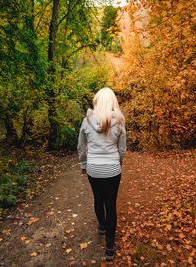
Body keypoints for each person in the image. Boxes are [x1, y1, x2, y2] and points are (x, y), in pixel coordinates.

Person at [77, 87, 126, 261]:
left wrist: (84, 164)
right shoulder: (119, 121)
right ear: (113, 102)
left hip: (94, 168)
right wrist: (119, 161)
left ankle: (103, 226)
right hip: (112, 168)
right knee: (110, 203)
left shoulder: (86, 120)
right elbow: (122, 147)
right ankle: (110, 247)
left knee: (98, 198)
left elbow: (81, 147)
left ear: (97, 101)